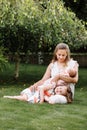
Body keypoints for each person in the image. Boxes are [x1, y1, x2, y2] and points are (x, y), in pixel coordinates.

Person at [4, 43, 79, 104]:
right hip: (51, 88)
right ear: (56, 53)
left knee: (42, 93)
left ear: (67, 54)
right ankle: (22, 96)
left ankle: (40, 98)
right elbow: (44, 80)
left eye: (63, 55)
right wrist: (33, 86)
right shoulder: (52, 65)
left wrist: (59, 76)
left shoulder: (73, 64)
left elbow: (75, 80)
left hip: (64, 92)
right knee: (33, 90)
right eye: (59, 54)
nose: (61, 57)